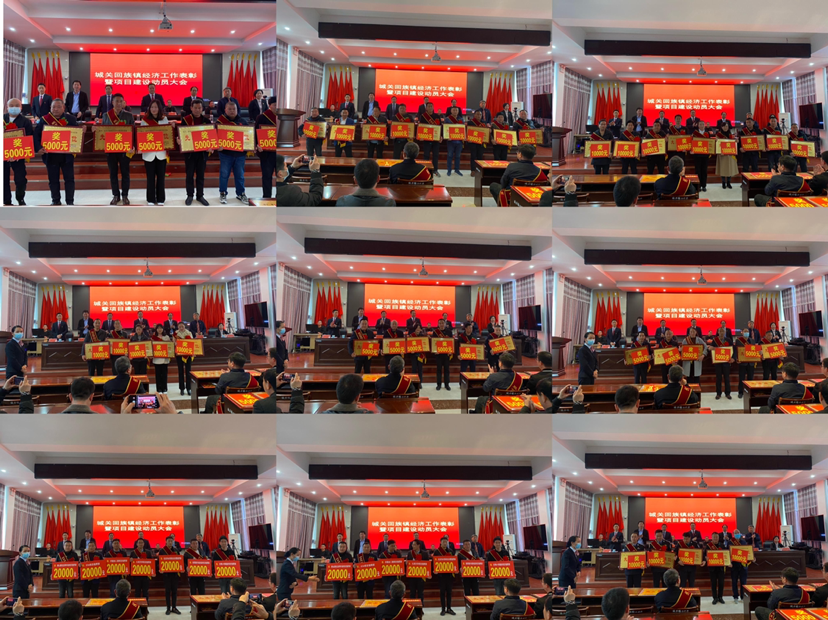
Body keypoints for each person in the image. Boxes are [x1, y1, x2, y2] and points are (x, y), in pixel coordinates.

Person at [33, 98, 80, 204]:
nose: (56, 109)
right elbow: (36, 135)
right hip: (50, 155)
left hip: (67, 155)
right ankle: (55, 200)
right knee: (53, 180)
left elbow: (77, 135)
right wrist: (39, 148)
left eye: (59, 107)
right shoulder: (44, 120)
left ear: (63, 108)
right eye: (53, 107)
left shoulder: (71, 119)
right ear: (50, 108)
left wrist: (82, 132)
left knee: (69, 179)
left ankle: (70, 201)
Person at [177, 99, 213, 205]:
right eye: (195, 108)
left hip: (202, 153)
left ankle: (200, 195)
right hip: (190, 153)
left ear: (202, 109)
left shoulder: (206, 121)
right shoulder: (186, 120)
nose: (197, 110)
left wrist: (211, 146)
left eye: (199, 108)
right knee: (189, 175)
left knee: (200, 175)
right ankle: (190, 195)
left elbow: (210, 137)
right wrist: (179, 140)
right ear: (191, 108)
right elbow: (181, 134)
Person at [101, 93, 135, 205]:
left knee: (125, 173)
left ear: (123, 103)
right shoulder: (106, 116)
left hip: (125, 150)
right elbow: (102, 132)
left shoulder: (129, 116)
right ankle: (116, 195)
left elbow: (133, 132)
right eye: (117, 101)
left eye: (121, 101)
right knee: (113, 173)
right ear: (112, 102)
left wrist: (133, 146)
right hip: (111, 150)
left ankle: (125, 195)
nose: (119, 103)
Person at [215, 101, 249, 205]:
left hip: (240, 154)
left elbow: (249, 137)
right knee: (224, 174)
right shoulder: (220, 122)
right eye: (229, 109)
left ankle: (241, 193)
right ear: (225, 110)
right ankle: (223, 193)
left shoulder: (243, 121)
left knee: (240, 175)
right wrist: (217, 146)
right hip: (226, 154)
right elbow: (215, 137)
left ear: (237, 110)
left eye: (234, 109)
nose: (232, 111)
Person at [4, 98, 33, 206]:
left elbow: (29, 139)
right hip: (3, 156)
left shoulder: (26, 121)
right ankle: (6, 200)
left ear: (21, 107)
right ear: (7, 107)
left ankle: (20, 198)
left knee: (20, 179)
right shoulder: (2, 119)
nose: (14, 107)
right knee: (3, 179)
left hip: (19, 155)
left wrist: (17, 153)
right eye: (11, 105)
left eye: (17, 105)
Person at [140, 99, 169, 205]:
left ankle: (161, 198)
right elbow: (141, 136)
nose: (154, 109)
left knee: (161, 177)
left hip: (161, 153)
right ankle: (150, 199)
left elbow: (167, 135)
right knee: (150, 178)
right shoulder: (145, 120)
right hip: (149, 153)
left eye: (156, 107)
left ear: (159, 108)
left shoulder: (164, 119)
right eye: (152, 107)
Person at [255, 96, 279, 200]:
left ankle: (280, 196)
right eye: (275, 105)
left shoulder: (283, 117)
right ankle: (267, 197)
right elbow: (256, 133)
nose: (277, 107)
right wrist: (257, 145)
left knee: (281, 176)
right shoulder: (262, 117)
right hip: (266, 152)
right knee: (267, 175)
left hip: (279, 152)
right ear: (270, 105)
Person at [710, 326, 735, 400]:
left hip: (726, 362)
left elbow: (733, 349)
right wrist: (712, 348)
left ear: (725, 332)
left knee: (727, 378)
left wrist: (733, 358)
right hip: (718, 362)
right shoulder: (715, 340)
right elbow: (710, 348)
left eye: (722, 331)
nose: (721, 333)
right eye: (720, 331)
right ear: (718, 332)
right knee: (718, 378)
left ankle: (728, 393)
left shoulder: (729, 340)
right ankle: (718, 393)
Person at [418, 102, 443, 176]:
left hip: (436, 139)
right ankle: (426, 170)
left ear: (433, 107)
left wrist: (441, 136)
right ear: (426, 108)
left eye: (431, 106)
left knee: (435, 155)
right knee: (426, 155)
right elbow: (421, 126)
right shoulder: (423, 116)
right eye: (428, 106)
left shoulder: (437, 116)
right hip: (427, 138)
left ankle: (435, 170)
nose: (430, 107)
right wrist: (420, 136)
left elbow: (440, 126)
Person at [714, 121, 738, 189]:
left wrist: (736, 141)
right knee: (723, 169)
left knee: (729, 169)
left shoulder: (731, 135)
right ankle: (723, 182)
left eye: (726, 126)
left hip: (729, 154)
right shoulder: (718, 135)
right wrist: (716, 141)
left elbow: (734, 143)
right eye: (724, 126)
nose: (725, 127)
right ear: (721, 127)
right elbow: (717, 145)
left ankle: (729, 182)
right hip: (722, 155)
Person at [149, 324, 172, 394]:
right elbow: (151, 347)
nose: (159, 330)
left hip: (165, 359)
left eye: (161, 328)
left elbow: (170, 347)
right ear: (156, 329)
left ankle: (164, 388)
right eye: (158, 328)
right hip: (157, 359)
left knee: (164, 375)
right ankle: (159, 389)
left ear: (163, 329)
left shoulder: (166, 337)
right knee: (158, 375)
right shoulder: (153, 338)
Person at [691, 120, 712, 192]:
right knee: (697, 170)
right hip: (697, 155)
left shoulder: (707, 133)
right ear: (698, 125)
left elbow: (710, 143)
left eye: (703, 124)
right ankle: (698, 185)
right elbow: (692, 142)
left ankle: (704, 185)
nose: (701, 126)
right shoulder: (695, 133)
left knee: (704, 170)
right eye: (700, 124)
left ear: (704, 125)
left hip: (705, 155)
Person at [704, 532, 725, 604]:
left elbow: (726, 554)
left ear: (719, 538)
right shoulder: (708, 546)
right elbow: (704, 555)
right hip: (712, 568)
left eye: (717, 537)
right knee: (713, 583)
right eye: (714, 537)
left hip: (721, 568)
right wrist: (705, 558)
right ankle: (715, 597)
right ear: (712, 538)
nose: (715, 538)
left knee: (721, 583)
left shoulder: (722, 545)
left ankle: (720, 597)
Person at [444, 105, 464, 176]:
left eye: (456, 110)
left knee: (458, 156)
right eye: (454, 110)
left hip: (459, 141)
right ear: (451, 111)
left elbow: (463, 129)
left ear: (458, 111)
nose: (455, 111)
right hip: (451, 141)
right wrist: (447, 137)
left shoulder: (461, 119)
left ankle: (457, 170)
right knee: (450, 155)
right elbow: (445, 129)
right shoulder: (447, 119)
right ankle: (449, 170)